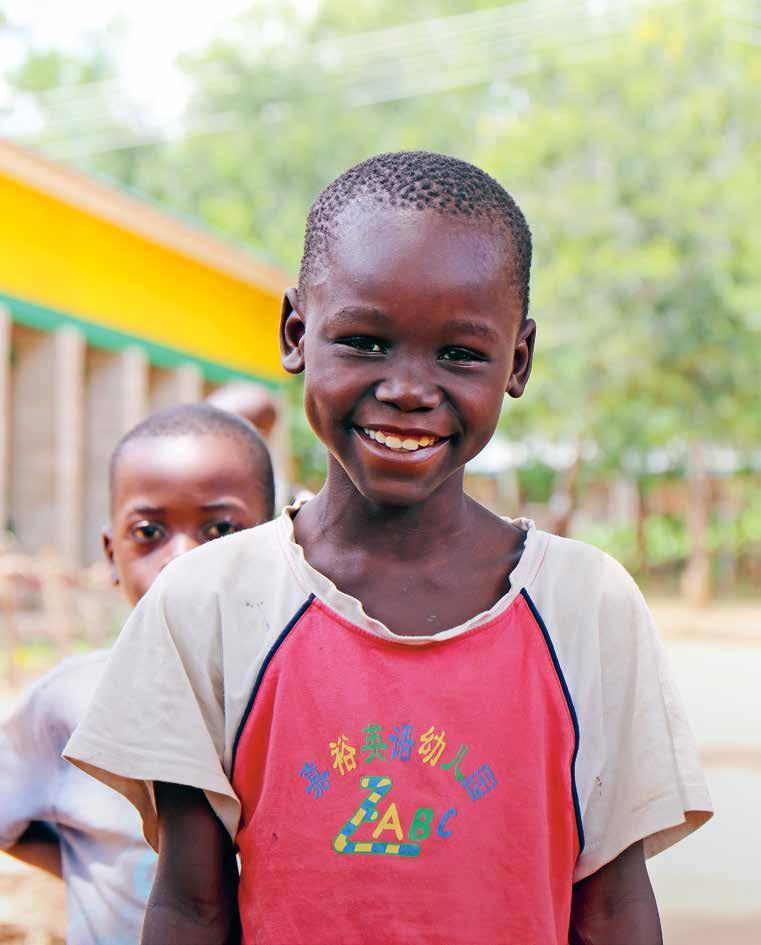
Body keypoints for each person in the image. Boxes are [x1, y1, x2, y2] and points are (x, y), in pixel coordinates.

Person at [65, 152, 712, 945]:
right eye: (365, 341)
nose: (407, 388)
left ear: (517, 361)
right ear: (296, 333)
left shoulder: (587, 605)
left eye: (459, 353)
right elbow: (191, 905)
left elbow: (611, 908)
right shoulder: (207, 602)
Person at [0, 403, 275, 945]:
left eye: (221, 529)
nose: (183, 560)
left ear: (275, 544)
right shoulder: (69, 702)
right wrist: (91, 870)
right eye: (149, 531)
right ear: (111, 554)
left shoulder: (292, 691)